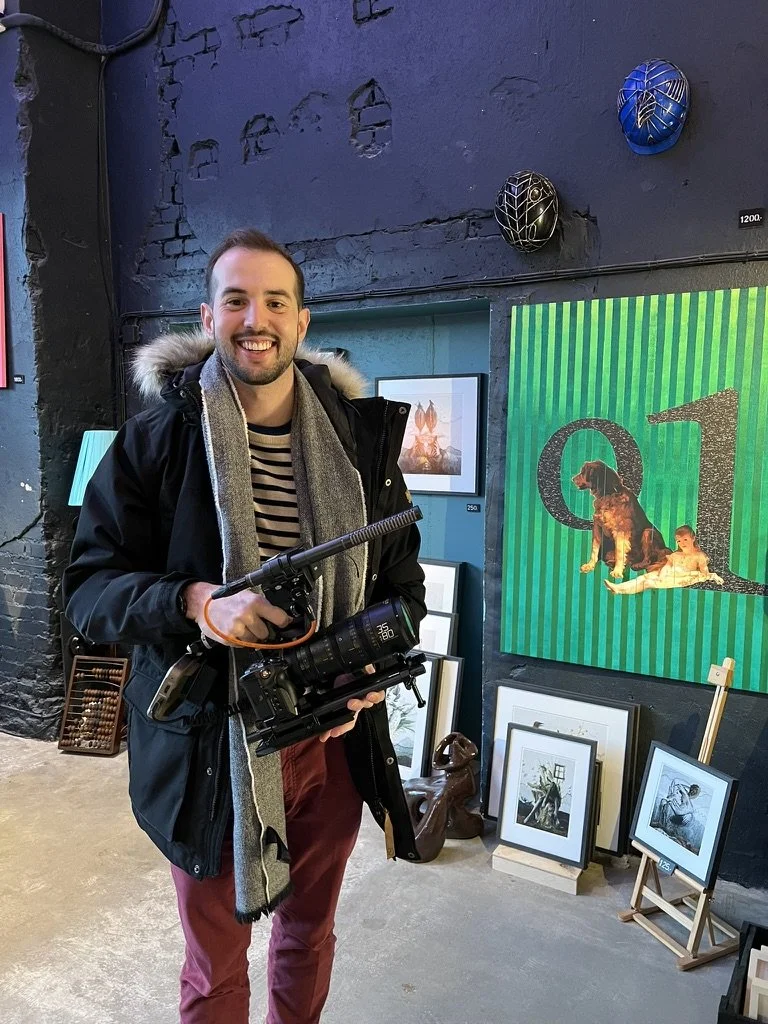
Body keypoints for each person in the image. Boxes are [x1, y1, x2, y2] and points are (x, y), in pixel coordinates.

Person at [62, 228, 426, 1024]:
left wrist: (370, 671)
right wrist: (195, 602)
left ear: (301, 323)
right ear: (209, 315)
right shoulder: (157, 442)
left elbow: (402, 585)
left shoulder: (361, 447)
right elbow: (87, 590)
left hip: (329, 747)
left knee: (309, 935)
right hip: (210, 744)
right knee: (217, 964)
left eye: (274, 302)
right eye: (236, 300)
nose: (254, 318)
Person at [603, 524, 724, 595]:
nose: (682, 543)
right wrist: (662, 574)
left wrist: (712, 576)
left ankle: (620, 590)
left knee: (648, 582)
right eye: (679, 541)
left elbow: (704, 573)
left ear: (693, 538)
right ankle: (618, 588)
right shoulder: (677, 555)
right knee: (643, 577)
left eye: (685, 540)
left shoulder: (699, 556)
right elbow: (667, 566)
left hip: (682, 578)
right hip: (669, 574)